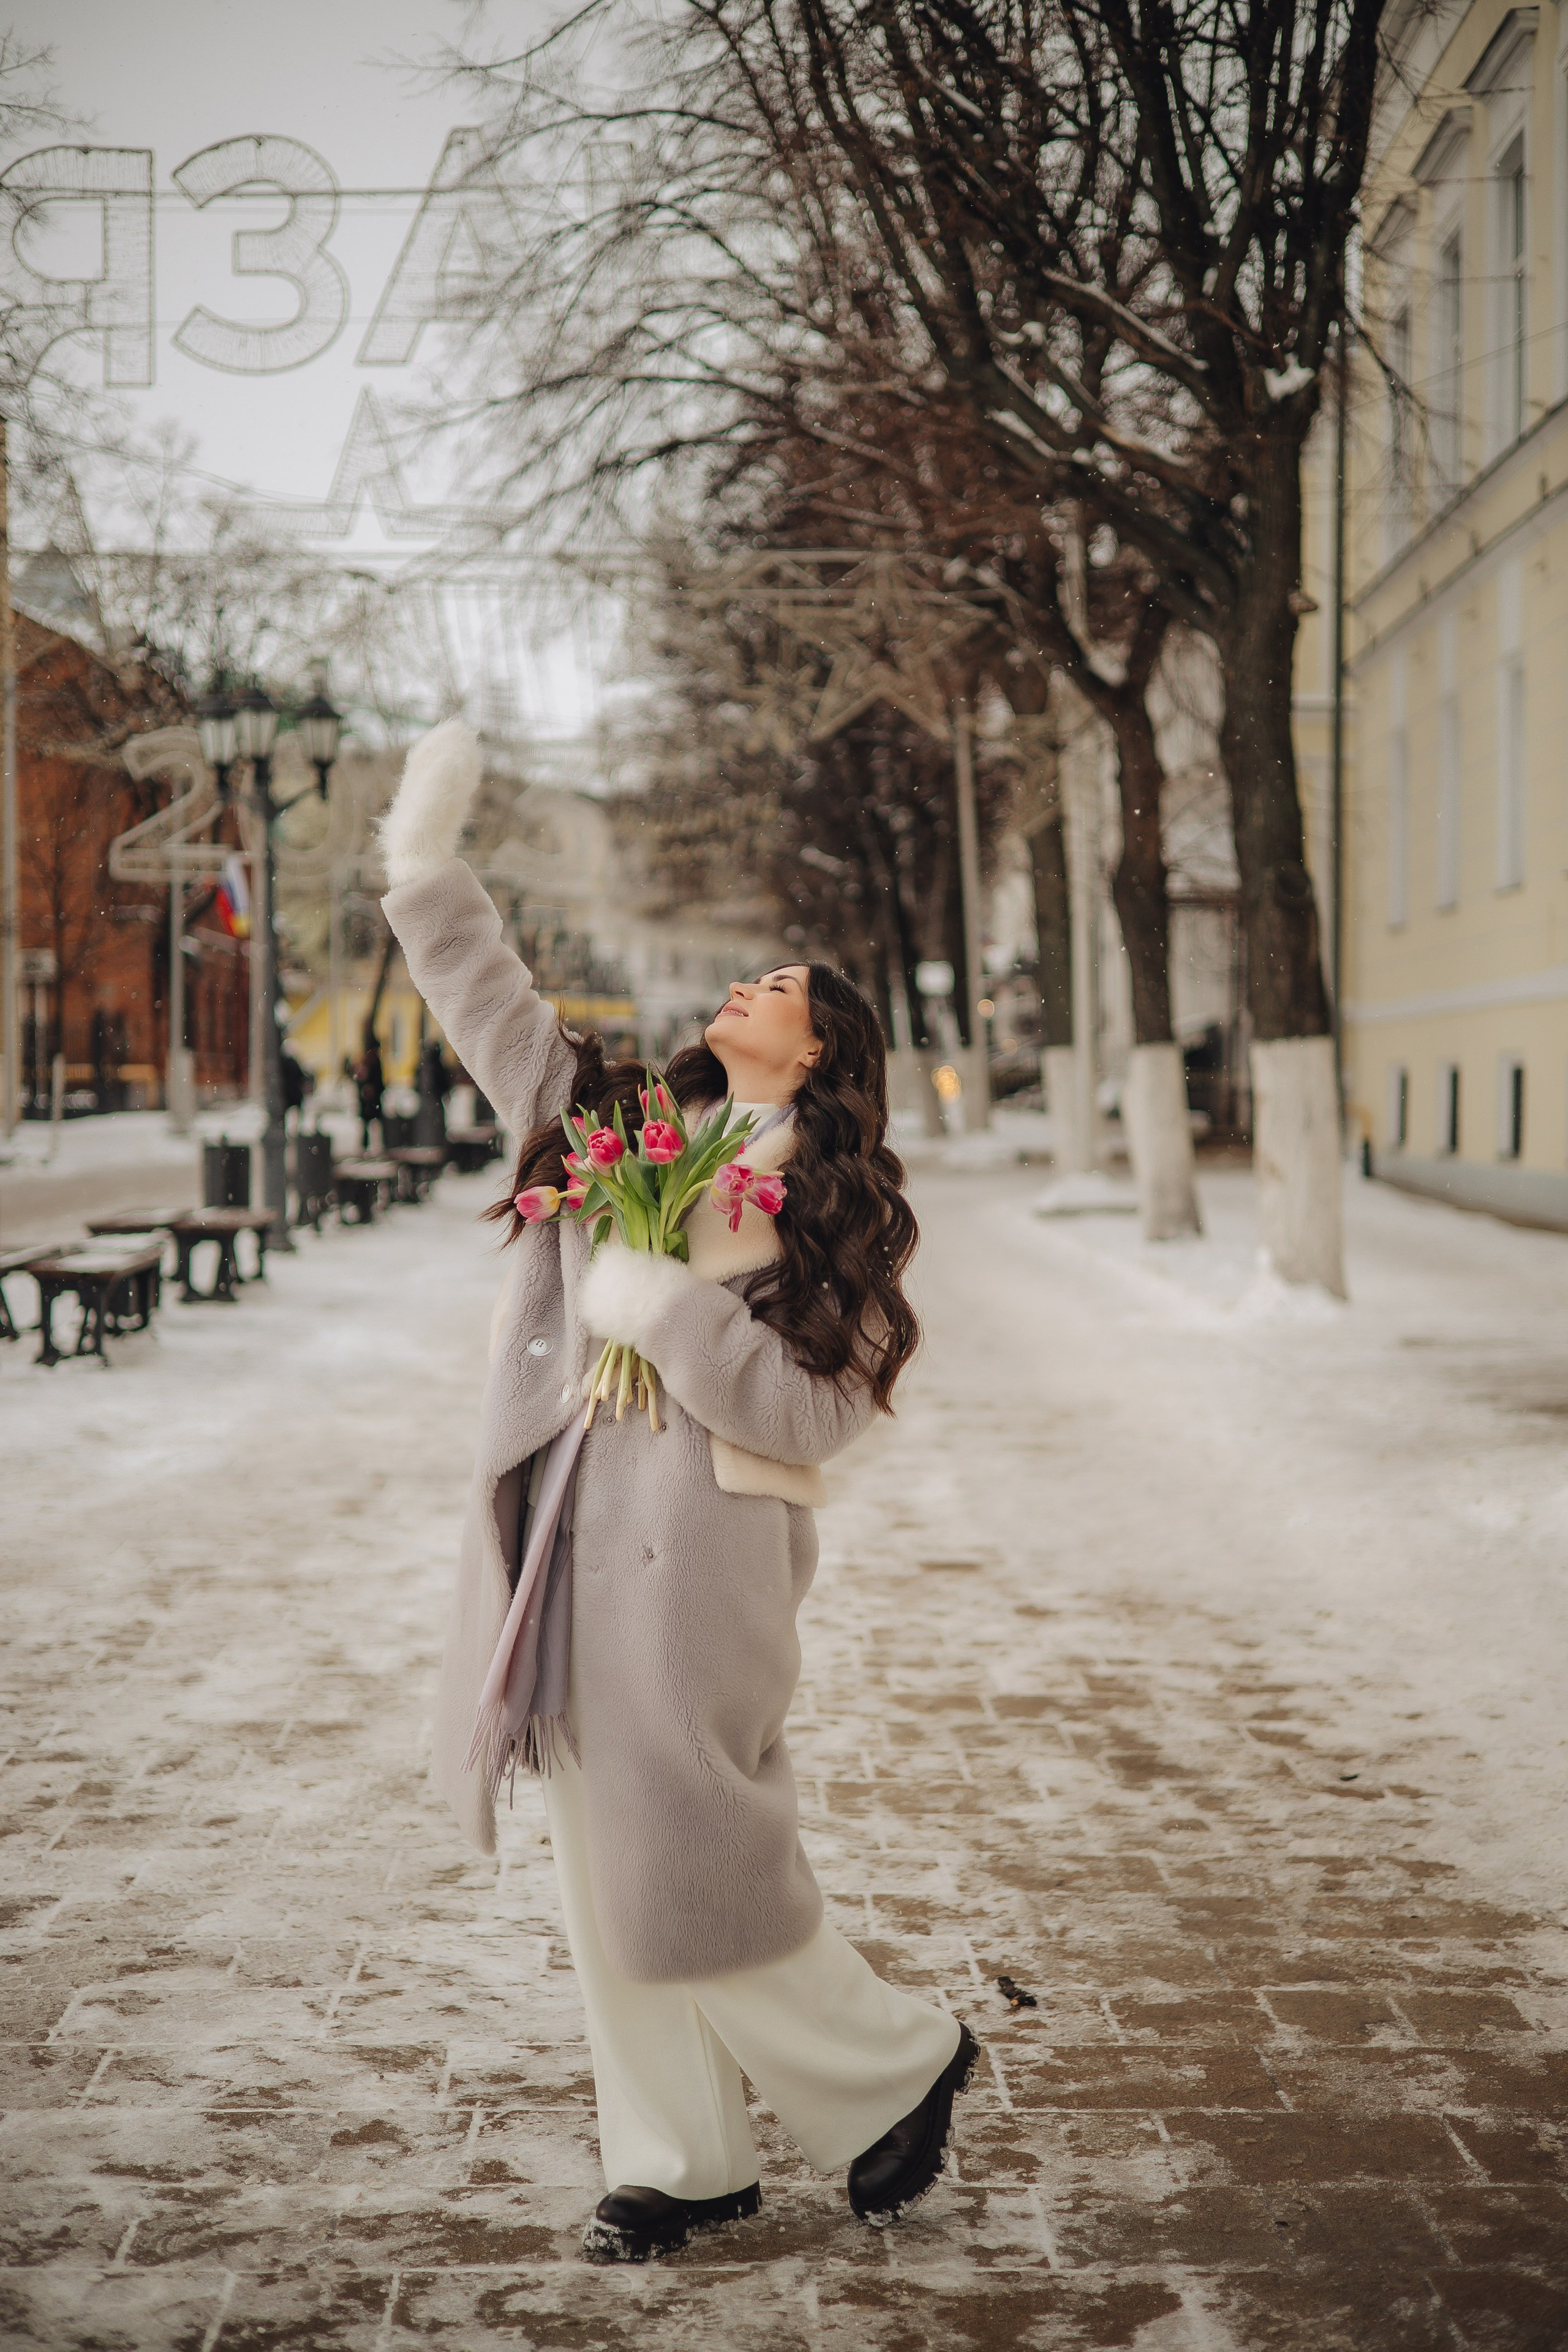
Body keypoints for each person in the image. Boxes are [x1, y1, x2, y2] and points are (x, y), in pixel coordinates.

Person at [378, 722, 976, 2266]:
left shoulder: (832, 1206)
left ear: (822, 1050)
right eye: (748, 977)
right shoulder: (629, 1127)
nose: (743, 989)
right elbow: (496, 1015)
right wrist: (425, 866)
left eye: (776, 987)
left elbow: (816, 1407)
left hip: (702, 1556)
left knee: (690, 1842)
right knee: (603, 1858)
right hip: (567, 1529)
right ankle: (678, 2155)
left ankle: (891, 2061)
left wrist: (666, 1311)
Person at [353, 1025, 384, 1152]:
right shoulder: (371, 1062)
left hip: (369, 1100)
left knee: (370, 1124)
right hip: (371, 1100)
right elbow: (374, 1081)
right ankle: (372, 1146)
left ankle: (368, 1146)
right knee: (374, 1123)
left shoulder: (367, 1062)